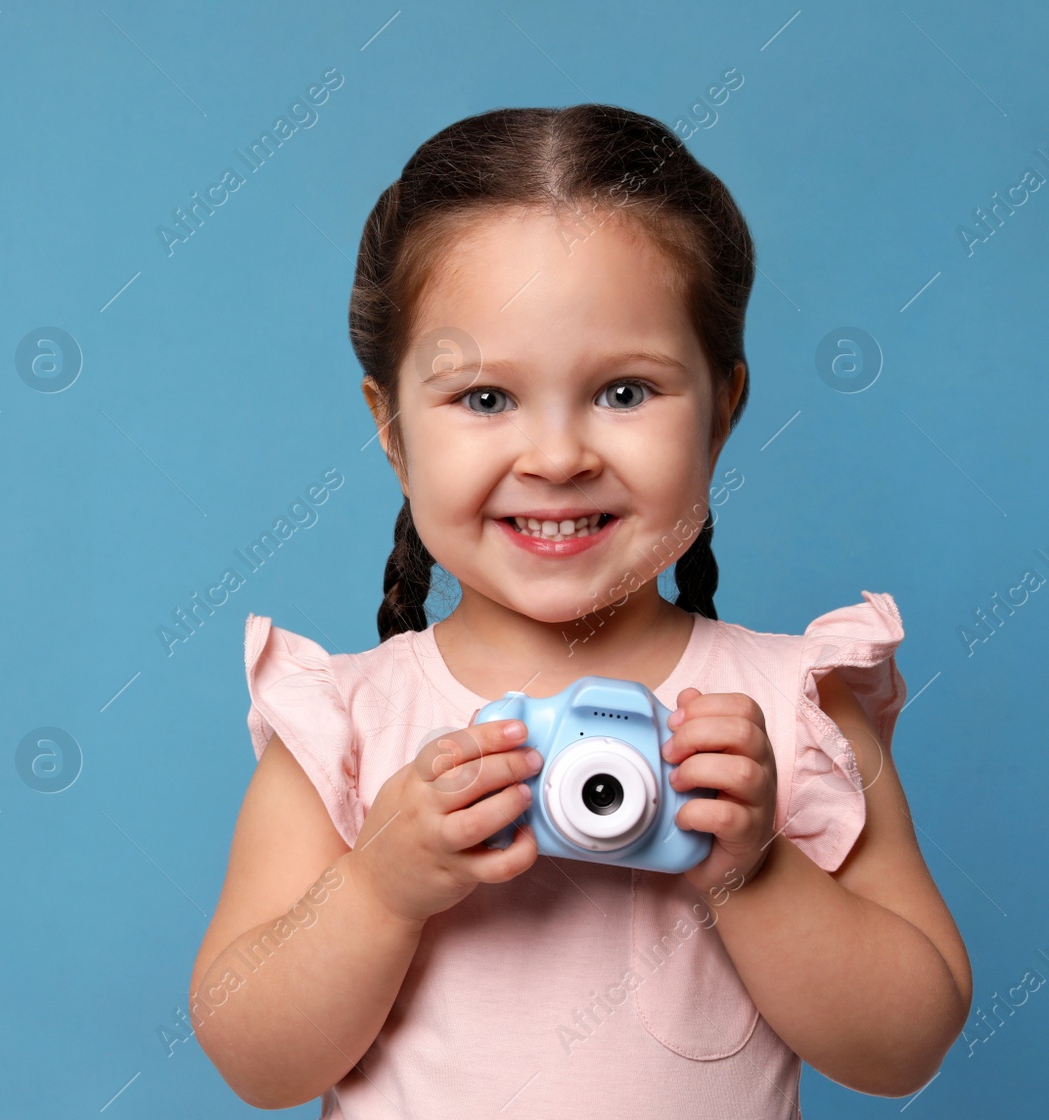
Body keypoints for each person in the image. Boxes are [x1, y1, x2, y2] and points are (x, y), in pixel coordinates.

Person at [188, 104, 971, 1118]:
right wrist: (379, 887)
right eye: (482, 398)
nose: (556, 458)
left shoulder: (790, 711)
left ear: (722, 409)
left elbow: (906, 1043)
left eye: (624, 391)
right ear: (391, 427)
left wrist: (753, 873)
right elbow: (256, 1061)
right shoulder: (346, 727)